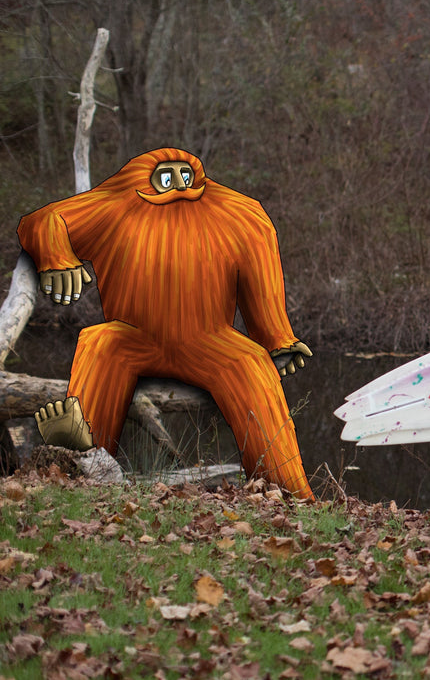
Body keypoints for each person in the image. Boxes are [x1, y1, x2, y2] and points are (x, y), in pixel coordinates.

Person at [17, 147, 315, 500]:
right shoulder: (116, 204)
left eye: (185, 176)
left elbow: (260, 278)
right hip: (135, 335)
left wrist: (275, 338)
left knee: (251, 366)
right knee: (99, 342)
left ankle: (286, 490)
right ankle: (86, 455)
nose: (177, 185)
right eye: (166, 176)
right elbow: (46, 220)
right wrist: (56, 257)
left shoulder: (239, 212)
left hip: (209, 339)